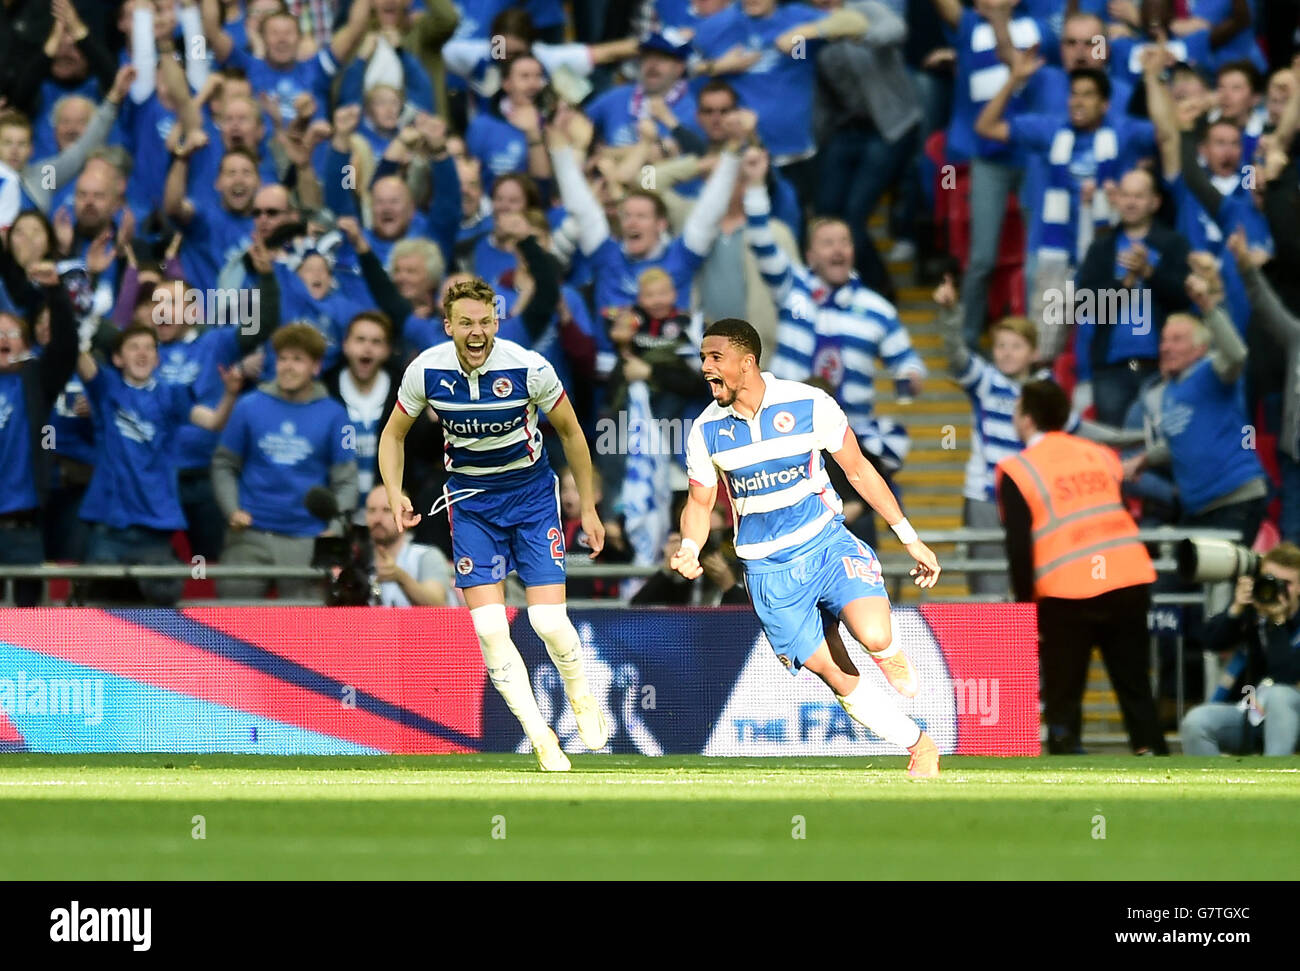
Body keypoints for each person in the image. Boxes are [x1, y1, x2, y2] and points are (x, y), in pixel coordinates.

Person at [671, 318, 944, 778]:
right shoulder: (705, 430)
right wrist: (691, 545)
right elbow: (700, 501)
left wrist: (909, 537)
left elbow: (859, 472)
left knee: (873, 635)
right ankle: (919, 745)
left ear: (747, 361)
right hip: (767, 573)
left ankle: (888, 650)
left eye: (714, 358)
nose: (705, 368)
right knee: (834, 673)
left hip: (826, 546)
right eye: (702, 359)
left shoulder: (810, 404)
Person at [378, 276, 609, 772]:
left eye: (485, 321)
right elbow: (393, 434)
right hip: (472, 504)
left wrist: (587, 508)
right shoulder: (425, 371)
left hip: (531, 500)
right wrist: (395, 492)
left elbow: (570, 431)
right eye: (466, 323)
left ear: (496, 323)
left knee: (547, 621)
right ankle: (541, 737)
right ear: (449, 327)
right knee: (488, 628)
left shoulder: (529, 367)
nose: (476, 331)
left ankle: (580, 693)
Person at [995, 379, 1167, 755]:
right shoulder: (1100, 454)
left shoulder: (1018, 469)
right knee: (1135, 686)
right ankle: (1151, 753)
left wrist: (1026, 606)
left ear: (1026, 419)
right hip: (1127, 578)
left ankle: (1066, 757)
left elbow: (1019, 547)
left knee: (1064, 695)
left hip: (1066, 591)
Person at [75, 322, 243, 606]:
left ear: (157, 358)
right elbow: (80, 360)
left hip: (155, 529)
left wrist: (230, 394)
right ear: (118, 359)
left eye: (149, 348)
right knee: (98, 614)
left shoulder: (172, 394)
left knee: (160, 615)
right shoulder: (106, 390)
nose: (142, 354)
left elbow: (214, 422)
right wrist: (79, 325)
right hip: (109, 528)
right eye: (133, 347)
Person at [212, 323, 359, 601]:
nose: (288, 367)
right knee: (229, 622)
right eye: (283, 358)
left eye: (298, 359)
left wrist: (336, 528)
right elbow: (224, 464)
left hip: (307, 539)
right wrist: (231, 509)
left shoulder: (336, 415)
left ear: (316, 367)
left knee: (305, 635)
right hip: (251, 533)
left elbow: (347, 480)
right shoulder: (248, 406)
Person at [1179, 543, 1300, 756]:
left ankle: (1272, 783)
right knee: (1196, 722)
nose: (1276, 589)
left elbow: (1286, 675)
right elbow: (1211, 642)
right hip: (1253, 711)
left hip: (1292, 712)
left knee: (1279, 695)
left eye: (1286, 583)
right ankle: (1218, 788)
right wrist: (1236, 608)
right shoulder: (1254, 610)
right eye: (1270, 581)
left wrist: (1278, 623)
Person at [363, 484, 457, 607]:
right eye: (372, 510)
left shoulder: (427, 556)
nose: (377, 519)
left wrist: (401, 578)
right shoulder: (360, 559)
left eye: (387, 510)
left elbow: (438, 605)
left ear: (407, 515)